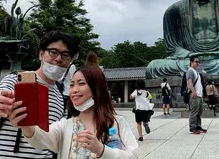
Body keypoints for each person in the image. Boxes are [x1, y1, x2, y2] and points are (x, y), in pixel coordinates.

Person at [0, 30, 80, 158]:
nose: (58, 58)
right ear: (41, 54)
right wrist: (0, 105)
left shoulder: (62, 99)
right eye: (53, 52)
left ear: (71, 60)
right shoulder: (16, 79)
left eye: (65, 55)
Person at [9, 66, 139, 158]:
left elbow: (133, 156)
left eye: (81, 83)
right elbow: (40, 138)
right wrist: (25, 124)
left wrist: (101, 150)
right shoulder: (65, 125)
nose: (74, 90)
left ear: (97, 88)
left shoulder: (116, 122)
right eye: (71, 85)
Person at [187, 56, 207, 134]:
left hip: (199, 95)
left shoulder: (197, 72)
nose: (198, 63)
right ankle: (192, 127)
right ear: (191, 62)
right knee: (194, 112)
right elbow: (189, 81)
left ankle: (198, 126)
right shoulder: (190, 71)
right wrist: (193, 91)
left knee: (199, 112)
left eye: (198, 62)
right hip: (194, 94)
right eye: (196, 61)